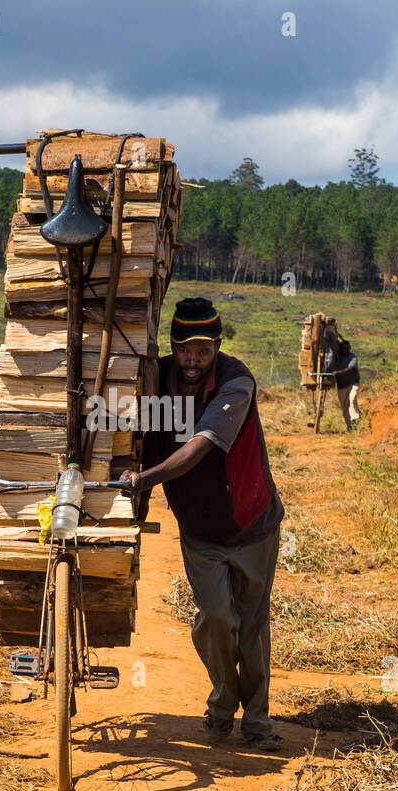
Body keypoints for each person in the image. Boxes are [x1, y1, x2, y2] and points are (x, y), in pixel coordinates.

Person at [120, 297, 287, 751]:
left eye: (202, 351)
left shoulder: (236, 382)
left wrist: (144, 481)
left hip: (252, 524)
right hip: (200, 531)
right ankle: (224, 695)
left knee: (251, 626)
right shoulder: (159, 378)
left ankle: (255, 724)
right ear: (173, 345)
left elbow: (196, 450)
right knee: (215, 617)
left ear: (217, 347)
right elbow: (146, 440)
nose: (192, 361)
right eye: (184, 351)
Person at [334, 336, 361, 431]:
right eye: (344, 348)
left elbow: (351, 369)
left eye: (347, 348)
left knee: (353, 398)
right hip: (342, 386)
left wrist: (339, 373)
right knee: (344, 407)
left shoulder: (352, 357)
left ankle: (355, 419)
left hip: (353, 383)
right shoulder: (337, 358)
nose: (346, 350)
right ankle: (349, 426)